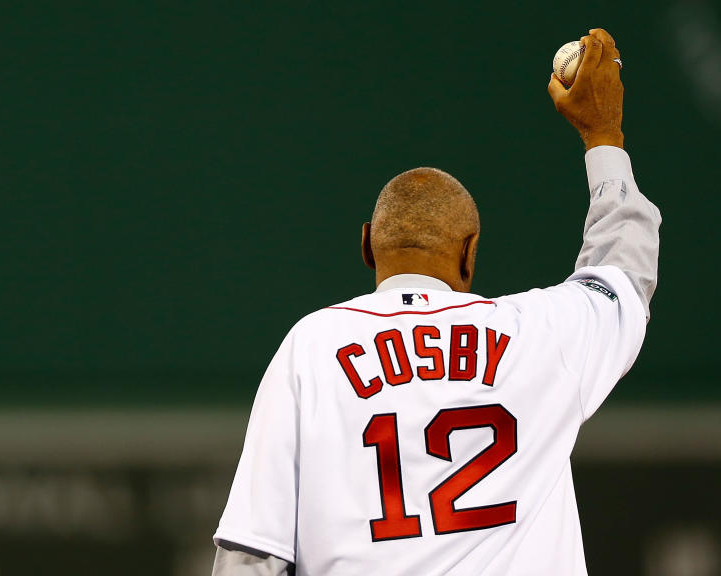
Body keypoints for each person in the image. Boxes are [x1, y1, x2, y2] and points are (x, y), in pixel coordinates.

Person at [211, 28, 660, 575]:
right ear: (469, 255)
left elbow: (252, 555)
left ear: (366, 246)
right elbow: (624, 272)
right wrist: (603, 135)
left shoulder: (313, 347)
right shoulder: (537, 337)